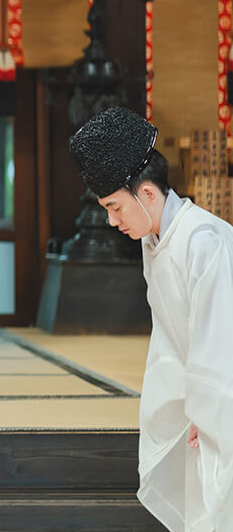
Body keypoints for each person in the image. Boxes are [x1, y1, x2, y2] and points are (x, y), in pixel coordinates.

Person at [69, 106, 233, 532]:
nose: (111, 220)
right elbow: (171, 335)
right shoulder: (156, 239)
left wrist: (208, 409)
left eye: (115, 207)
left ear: (146, 194)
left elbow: (218, 332)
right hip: (201, 392)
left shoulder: (202, 238)